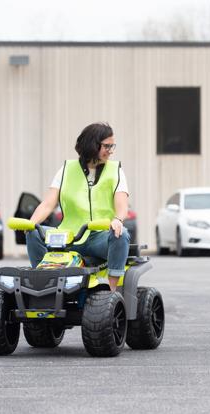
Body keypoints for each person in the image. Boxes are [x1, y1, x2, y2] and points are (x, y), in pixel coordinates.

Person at [26, 122, 131, 292]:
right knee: (33, 233)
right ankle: (43, 283)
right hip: (69, 236)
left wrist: (118, 220)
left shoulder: (116, 170)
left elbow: (122, 206)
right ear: (92, 144)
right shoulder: (66, 169)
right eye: (107, 146)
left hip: (99, 237)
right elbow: (47, 204)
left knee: (121, 234)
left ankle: (112, 293)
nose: (111, 150)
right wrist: (32, 223)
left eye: (113, 146)